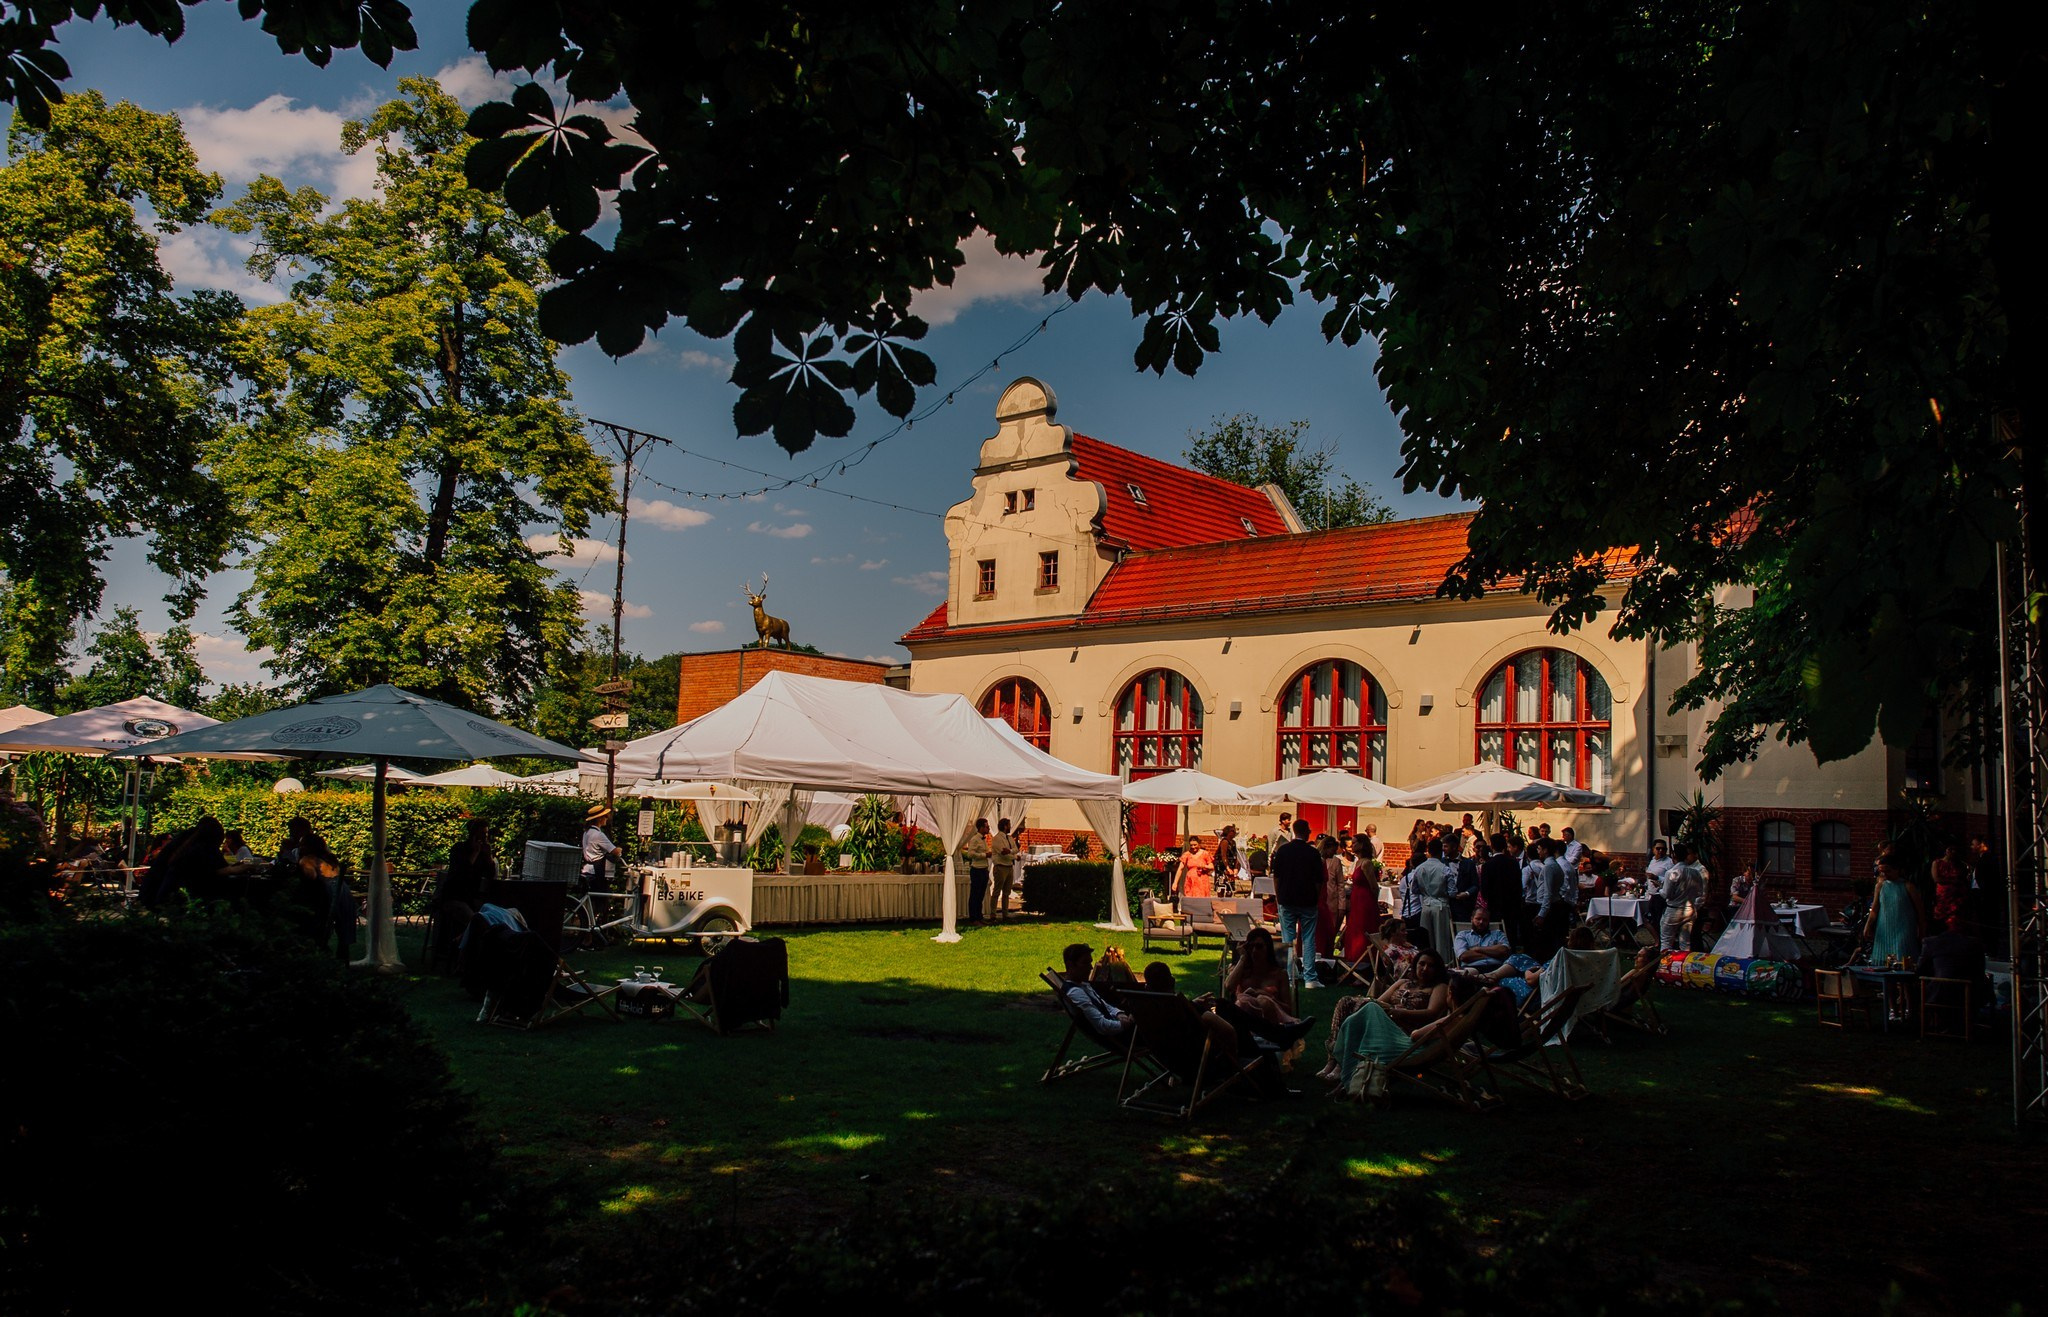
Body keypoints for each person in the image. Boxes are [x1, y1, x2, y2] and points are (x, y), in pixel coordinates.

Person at [1324, 949, 1453, 1089]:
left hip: (1404, 1030)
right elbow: (1378, 1001)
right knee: (1346, 1002)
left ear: (1437, 969)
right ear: (1415, 965)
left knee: (1367, 1007)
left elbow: (1431, 1013)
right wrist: (1387, 1009)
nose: (1425, 968)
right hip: (1387, 1017)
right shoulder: (1403, 982)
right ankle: (1334, 1059)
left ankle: (1339, 1062)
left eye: (1431, 966)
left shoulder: (1439, 987)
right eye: (1422, 964)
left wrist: (1401, 1013)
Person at [1272, 818, 1323, 992]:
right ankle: (1310, 977)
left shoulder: (1283, 851)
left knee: (1288, 939)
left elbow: (1276, 877)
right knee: (1308, 938)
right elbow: (1318, 881)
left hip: (1287, 899)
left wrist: (1279, 897)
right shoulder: (1313, 853)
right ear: (1307, 831)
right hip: (1307, 900)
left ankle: (1289, 976)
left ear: (1293, 831)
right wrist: (1315, 897)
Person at [435, 818, 498, 961]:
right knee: (476, 921)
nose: (484, 837)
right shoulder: (459, 849)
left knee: (491, 917)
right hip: (453, 897)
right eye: (481, 834)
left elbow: (491, 876)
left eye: (486, 834)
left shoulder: (484, 853)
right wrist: (474, 854)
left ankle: (465, 945)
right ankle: (462, 956)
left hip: (471, 898)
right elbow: (460, 874)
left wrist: (489, 858)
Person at [1223, 926, 1300, 1026]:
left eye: (1259, 946)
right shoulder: (1241, 971)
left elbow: (1288, 1010)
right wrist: (1242, 958)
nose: (1254, 951)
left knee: (1264, 1001)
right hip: (1244, 1026)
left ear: (1268, 948)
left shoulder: (1279, 974)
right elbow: (1228, 986)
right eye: (1250, 947)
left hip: (1272, 1024)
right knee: (1244, 1001)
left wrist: (1268, 996)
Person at [1863, 848, 1925, 965]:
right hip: (1884, 926)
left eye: (1888, 871)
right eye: (1882, 871)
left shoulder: (1908, 886)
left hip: (1904, 928)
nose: (1884, 874)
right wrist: (1868, 925)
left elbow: (1920, 911)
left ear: (1897, 870)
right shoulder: (1880, 886)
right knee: (1884, 961)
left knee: (1903, 958)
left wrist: (1921, 930)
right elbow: (1875, 909)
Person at [1059, 943, 1132, 1035]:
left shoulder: (1082, 985)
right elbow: (1102, 1025)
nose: (1091, 967)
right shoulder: (1076, 993)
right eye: (1085, 963)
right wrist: (1124, 1025)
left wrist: (1119, 1014)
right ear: (1070, 965)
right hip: (1122, 1035)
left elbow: (1103, 1004)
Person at [1408, 836, 1455, 959]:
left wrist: (1426, 892)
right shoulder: (1444, 868)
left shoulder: (1420, 868)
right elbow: (1452, 892)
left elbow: (1414, 889)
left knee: (1426, 941)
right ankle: (1442, 964)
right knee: (1441, 941)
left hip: (1426, 905)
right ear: (1441, 852)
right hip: (1440, 905)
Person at [1479, 833, 1525, 949]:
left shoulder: (1487, 865)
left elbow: (1484, 890)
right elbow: (1519, 886)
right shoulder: (1513, 863)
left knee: (1496, 936)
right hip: (1512, 907)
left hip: (1495, 907)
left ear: (1492, 847)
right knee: (1511, 936)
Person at [1658, 842, 1704, 954]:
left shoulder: (1672, 872)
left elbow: (1666, 894)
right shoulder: (1695, 873)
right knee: (1685, 942)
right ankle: (1684, 965)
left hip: (1674, 909)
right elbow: (1699, 892)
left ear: (1674, 856)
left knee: (1666, 941)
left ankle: (1664, 965)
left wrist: (1660, 889)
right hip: (1690, 910)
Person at [1454, 905, 1512, 972]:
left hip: (1497, 968)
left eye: (1485, 920)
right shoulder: (1462, 935)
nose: (1481, 922)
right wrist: (1494, 953)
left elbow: (1504, 951)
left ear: (1488, 921)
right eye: (1478, 919)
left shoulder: (1498, 934)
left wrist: (1477, 949)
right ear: (1472, 919)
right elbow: (1464, 956)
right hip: (1472, 968)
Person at [960, 818, 993, 921]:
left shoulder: (984, 840)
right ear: (981, 828)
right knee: (975, 894)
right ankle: (973, 917)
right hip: (977, 869)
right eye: (987, 827)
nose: (988, 829)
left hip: (984, 869)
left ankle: (979, 916)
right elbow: (970, 854)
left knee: (981, 895)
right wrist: (984, 855)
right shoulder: (975, 839)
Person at [581, 805, 621, 890]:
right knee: (600, 897)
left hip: (587, 868)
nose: (607, 818)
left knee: (592, 897)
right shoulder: (598, 835)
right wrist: (620, 849)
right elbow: (615, 851)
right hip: (597, 870)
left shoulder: (587, 832)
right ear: (600, 818)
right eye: (605, 816)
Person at [1316, 835, 1344, 958]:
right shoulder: (1317, 860)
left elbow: (1340, 884)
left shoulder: (1335, 862)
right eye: (1333, 850)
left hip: (1330, 900)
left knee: (1329, 933)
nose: (1334, 853)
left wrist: (1341, 904)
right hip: (1319, 901)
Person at [1931, 839, 1967, 932]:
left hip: (1955, 896)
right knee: (1942, 918)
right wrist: (1952, 881)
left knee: (1955, 920)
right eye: (1950, 849)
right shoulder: (1937, 863)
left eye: (1954, 850)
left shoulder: (1958, 864)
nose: (1952, 852)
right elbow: (1936, 878)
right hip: (1942, 895)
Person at [990, 817, 1019, 919]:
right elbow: (1002, 853)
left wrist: (1011, 851)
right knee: (997, 891)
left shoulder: (1010, 838)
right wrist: (1014, 856)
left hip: (1009, 866)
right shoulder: (997, 838)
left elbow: (1015, 849)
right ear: (1005, 826)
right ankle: (993, 913)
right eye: (1009, 825)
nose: (1010, 827)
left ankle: (1005, 914)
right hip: (1000, 866)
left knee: (1007, 892)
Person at [1180, 835, 1215, 899]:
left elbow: (1211, 866)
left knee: (1201, 898)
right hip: (1190, 880)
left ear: (1199, 844)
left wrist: (1204, 866)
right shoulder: (1187, 854)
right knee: (1190, 898)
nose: (1193, 847)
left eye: (1195, 845)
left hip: (1202, 880)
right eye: (1191, 845)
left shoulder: (1205, 854)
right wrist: (1175, 883)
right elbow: (1180, 869)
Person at [1216, 824, 1244, 892]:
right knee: (1222, 887)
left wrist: (1236, 867)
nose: (1234, 833)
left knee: (1230, 888)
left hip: (1231, 865)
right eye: (1233, 831)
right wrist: (1227, 867)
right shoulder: (1224, 842)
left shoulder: (1233, 842)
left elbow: (1235, 855)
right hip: (1223, 867)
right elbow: (1223, 855)